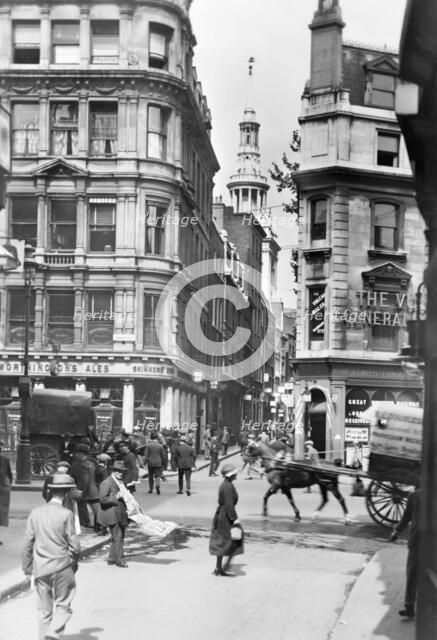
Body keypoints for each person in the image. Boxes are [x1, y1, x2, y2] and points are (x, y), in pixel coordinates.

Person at [22, 473, 80, 640]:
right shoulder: (66, 514)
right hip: (62, 566)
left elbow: (27, 543)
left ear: (51, 491)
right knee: (63, 606)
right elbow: (75, 546)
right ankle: (53, 634)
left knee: (44, 612)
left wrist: (27, 568)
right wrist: (73, 564)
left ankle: (45, 636)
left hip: (41, 568)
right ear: (67, 493)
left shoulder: (35, 513)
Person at [389, 487, 422, 618]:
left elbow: (406, 516)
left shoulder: (414, 495)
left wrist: (396, 532)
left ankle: (409, 607)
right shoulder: (414, 496)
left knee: (412, 573)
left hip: (417, 540)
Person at [209, 462, 244, 576]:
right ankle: (224, 566)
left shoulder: (225, 484)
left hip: (222, 515)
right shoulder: (228, 486)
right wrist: (235, 520)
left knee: (222, 540)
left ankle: (219, 568)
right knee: (235, 538)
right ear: (230, 475)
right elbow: (229, 505)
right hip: (226, 516)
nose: (236, 475)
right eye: (234, 473)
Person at [98, 460, 129, 568]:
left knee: (118, 536)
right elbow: (102, 499)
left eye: (122, 472)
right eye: (119, 472)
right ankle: (119, 560)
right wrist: (117, 497)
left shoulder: (119, 481)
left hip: (119, 512)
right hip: (111, 513)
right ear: (114, 471)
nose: (121, 474)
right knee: (118, 537)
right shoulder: (106, 483)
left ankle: (111, 558)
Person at [0, 441, 12, 544]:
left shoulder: (5, 460)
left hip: (3, 491)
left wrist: (8, 486)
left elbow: (9, 474)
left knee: (1, 514)